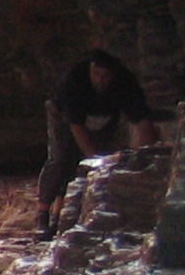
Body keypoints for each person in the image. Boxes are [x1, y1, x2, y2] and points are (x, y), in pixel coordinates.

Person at [38, 49, 162, 238]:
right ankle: (42, 215)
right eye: (96, 74)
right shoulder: (75, 80)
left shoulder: (126, 83)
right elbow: (75, 125)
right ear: (90, 69)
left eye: (105, 76)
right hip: (63, 115)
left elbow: (142, 122)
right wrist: (94, 158)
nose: (100, 80)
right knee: (62, 159)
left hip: (103, 119)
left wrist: (145, 161)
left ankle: (63, 215)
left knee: (95, 164)